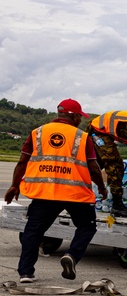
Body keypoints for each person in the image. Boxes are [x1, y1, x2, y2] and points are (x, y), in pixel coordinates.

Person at [4, 99, 108, 283]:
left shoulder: (37, 132)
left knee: (34, 231)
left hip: (45, 193)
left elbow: (22, 161)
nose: (80, 120)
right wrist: (101, 187)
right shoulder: (82, 137)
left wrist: (14, 185)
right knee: (86, 227)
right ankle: (72, 256)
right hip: (75, 194)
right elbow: (93, 167)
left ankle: (26, 273)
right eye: (80, 117)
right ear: (75, 116)